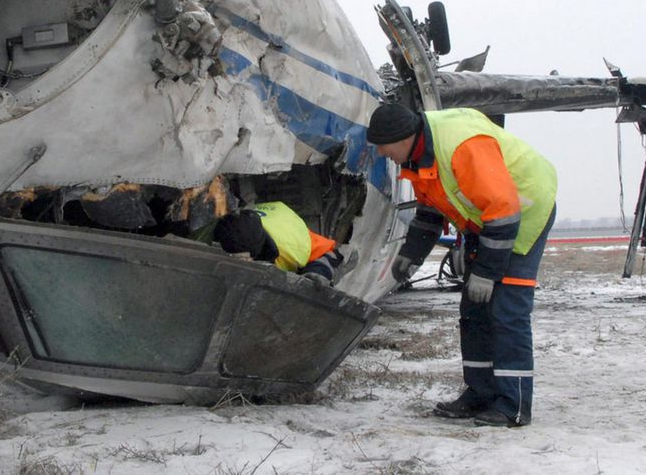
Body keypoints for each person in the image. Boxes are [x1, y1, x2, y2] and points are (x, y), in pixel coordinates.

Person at [366, 101, 556, 428]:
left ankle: (514, 405)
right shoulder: (419, 156)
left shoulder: (462, 147)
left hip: (523, 212)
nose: (382, 153)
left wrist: (486, 271)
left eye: (383, 146)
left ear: (402, 137)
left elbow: (504, 209)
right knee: (474, 308)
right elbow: (429, 214)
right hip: (486, 221)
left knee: (506, 309)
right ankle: (480, 394)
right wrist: (410, 256)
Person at [212, 201, 355, 283]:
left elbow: (330, 252)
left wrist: (317, 275)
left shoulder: (293, 245)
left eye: (243, 259)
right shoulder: (222, 230)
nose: (240, 264)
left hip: (287, 230)